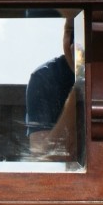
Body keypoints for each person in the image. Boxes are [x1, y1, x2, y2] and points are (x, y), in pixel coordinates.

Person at [25, 16, 78, 160]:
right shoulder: (45, 77)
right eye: (70, 32)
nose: (74, 45)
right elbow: (42, 156)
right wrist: (80, 86)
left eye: (80, 33)